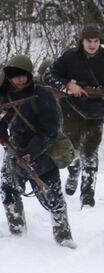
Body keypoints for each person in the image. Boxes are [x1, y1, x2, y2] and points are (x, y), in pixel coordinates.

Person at [0, 55, 75, 248]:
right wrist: (0, 133)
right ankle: (17, 235)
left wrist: (32, 151)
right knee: (8, 190)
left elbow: (51, 129)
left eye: (23, 75)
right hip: (15, 149)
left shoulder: (42, 94)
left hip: (43, 151)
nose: (20, 79)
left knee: (52, 200)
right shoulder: (4, 93)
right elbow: (0, 116)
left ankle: (64, 240)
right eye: (15, 76)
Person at [43, 24, 104, 207]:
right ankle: (74, 170)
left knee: (91, 153)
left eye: (96, 41)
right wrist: (69, 85)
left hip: (97, 113)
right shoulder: (70, 57)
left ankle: (87, 197)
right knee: (71, 150)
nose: (92, 45)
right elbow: (48, 76)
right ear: (82, 41)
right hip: (72, 110)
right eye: (88, 41)